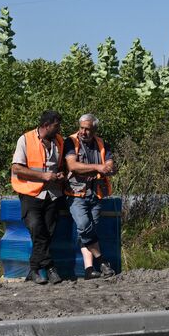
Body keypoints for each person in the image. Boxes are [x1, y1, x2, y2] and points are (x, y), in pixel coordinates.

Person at [10, 110, 67, 285]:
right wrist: (44, 176)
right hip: (30, 192)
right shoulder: (25, 139)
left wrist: (61, 175)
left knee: (47, 232)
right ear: (45, 125)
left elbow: (60, 166)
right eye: (56, 126)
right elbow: (16, 168)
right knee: (37, 228)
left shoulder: (59, 141)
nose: (58, 129)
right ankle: (50, 267)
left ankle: (34, 270)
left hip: (53, 194)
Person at [65, 113, 117, 280]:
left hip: (96, 193)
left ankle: (88, 269)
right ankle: (102, 261)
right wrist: (98, 167)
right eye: (81, 128)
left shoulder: (102, 144)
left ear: (94, 129)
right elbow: (73, 166)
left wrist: (107, 167)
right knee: (84, 226)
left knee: (89, 233)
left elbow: (109, 163)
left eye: (87, 129)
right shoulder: (70, 142)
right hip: (76, 193)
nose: (83, 132)